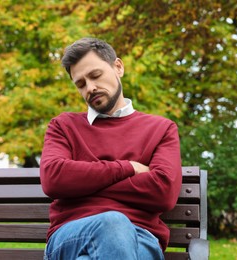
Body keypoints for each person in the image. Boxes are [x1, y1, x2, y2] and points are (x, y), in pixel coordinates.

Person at [40, 37, 182, 260]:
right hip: (72, 236)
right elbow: (54, 178)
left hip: (141, 237)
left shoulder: (161, 129)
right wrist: (127, 168)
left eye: (95, 76)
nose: (91, 88)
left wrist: (82, 182)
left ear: (118, 67)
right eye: (81, 84)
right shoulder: (63, 126)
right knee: (112, 221)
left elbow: (163, 192)